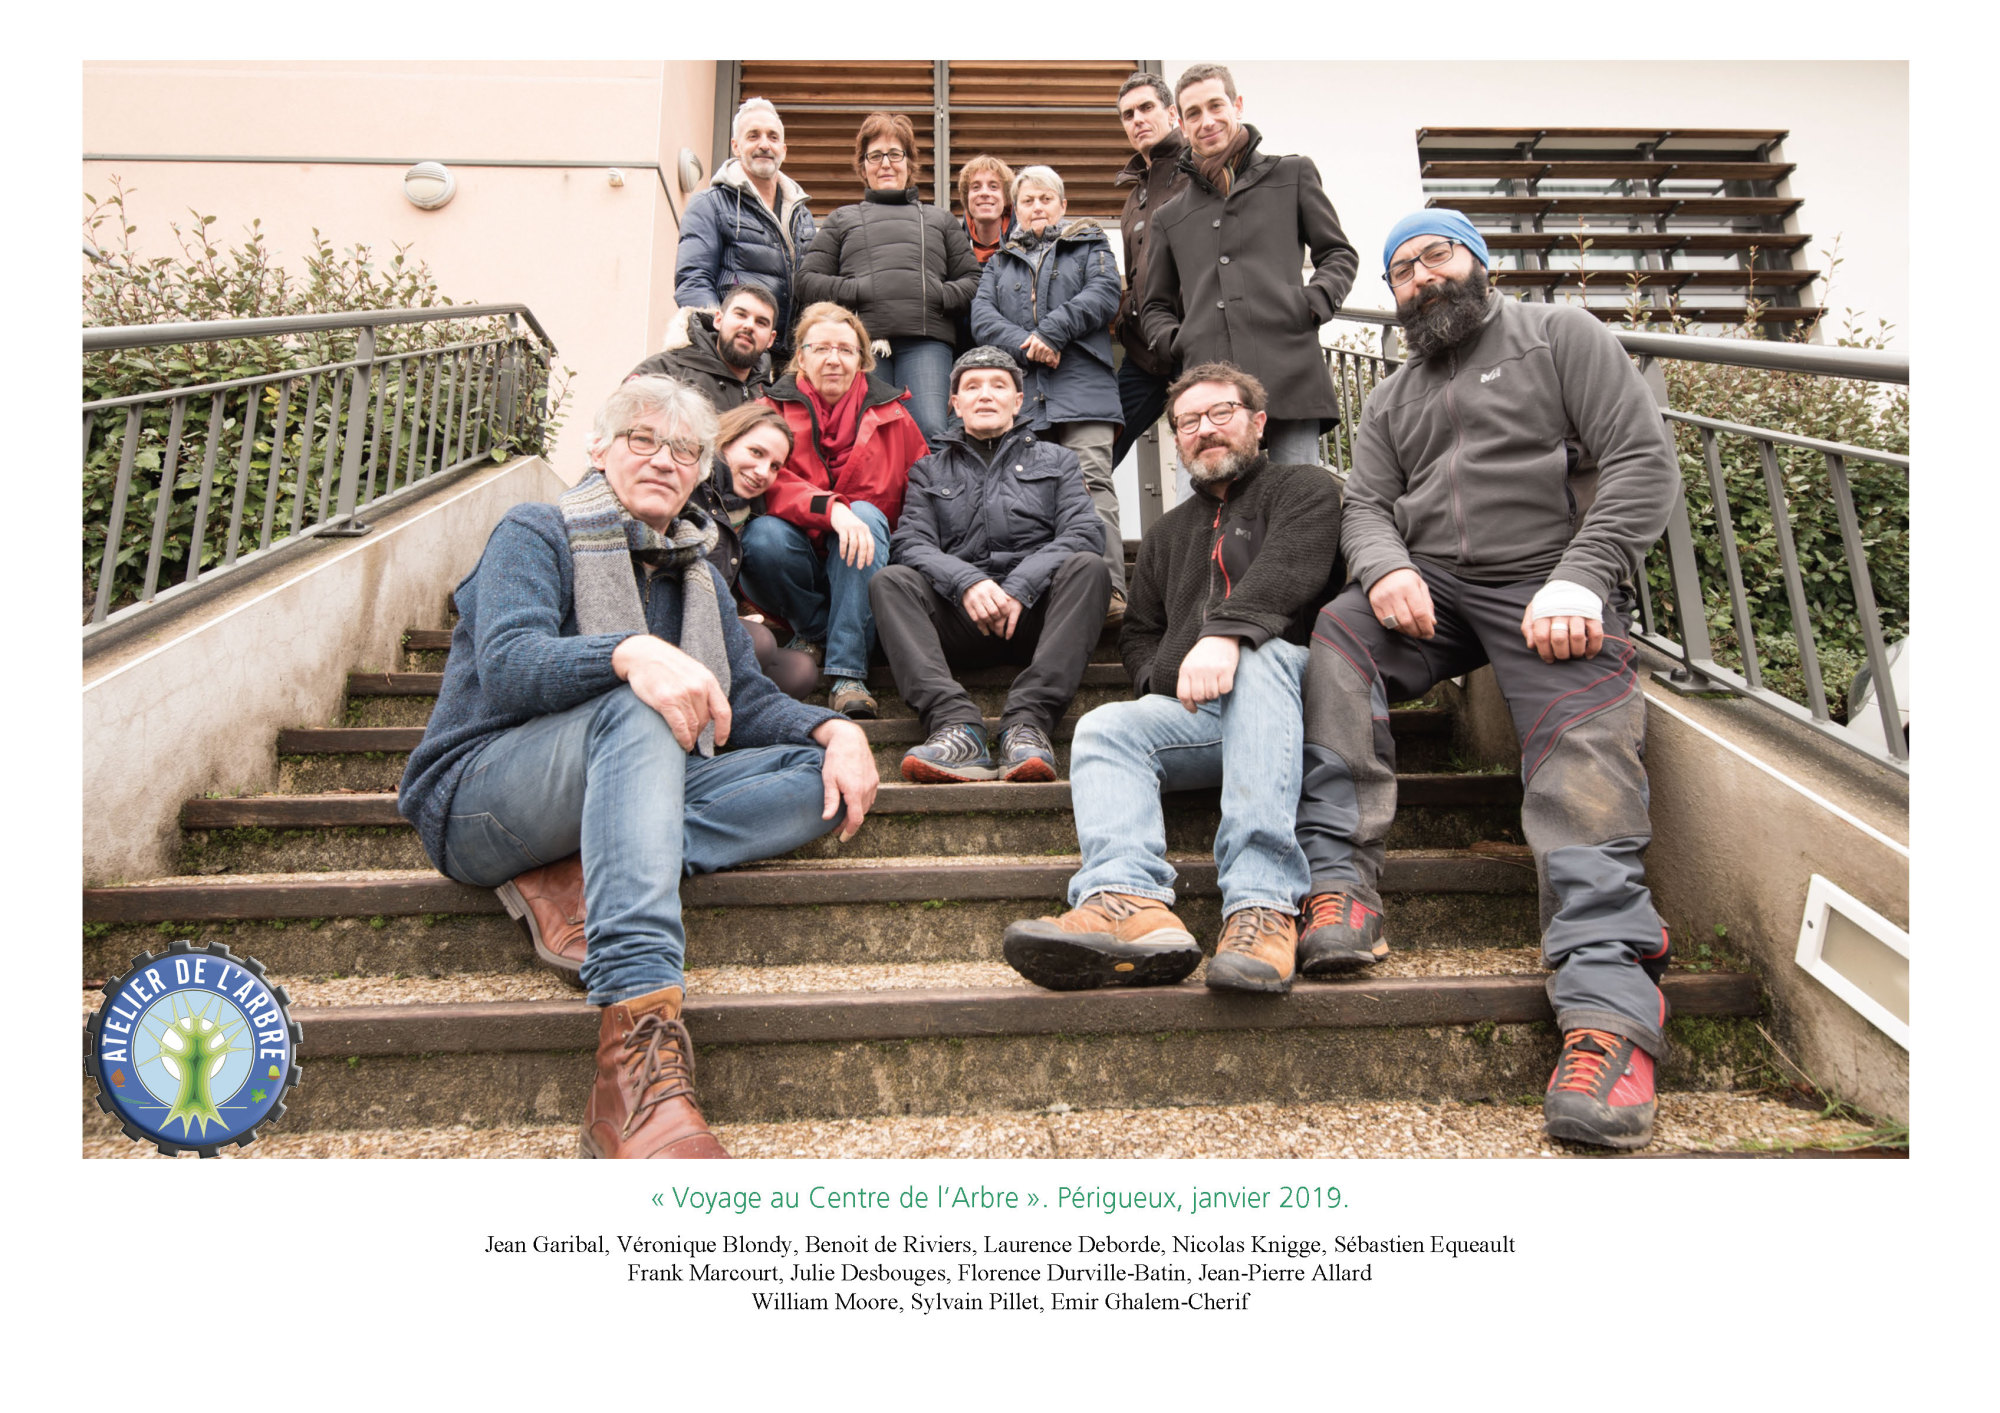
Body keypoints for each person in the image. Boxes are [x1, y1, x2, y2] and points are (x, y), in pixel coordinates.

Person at [396, 375, 878, 1159]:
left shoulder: (697, 572)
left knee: (814, 777)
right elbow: (510, 666)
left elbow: (744, 700)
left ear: (700, 470)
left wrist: (834, 730)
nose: (663, 459)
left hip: (624, 775)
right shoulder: (536, 530)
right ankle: (633, 1048)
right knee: (640, 702)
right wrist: (628, 653)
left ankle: (612, 848)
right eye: (642, 439)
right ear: (598, 449)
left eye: (683, 449)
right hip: (479, 792)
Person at [1294, 209, 1679, 1150]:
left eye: (1437, 256)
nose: (1421, 278)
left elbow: (1642, 461)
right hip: (1436, 590)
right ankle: (1342, 881)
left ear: (1478, 260)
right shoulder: (1392, 397)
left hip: (1548, 581)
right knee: (1337, 635)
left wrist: (1584, 575)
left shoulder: (1561, 335)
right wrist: (1385, 567)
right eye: (1402, 271)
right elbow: (1366, 504)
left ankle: (1608, 1009)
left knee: (1583, 757)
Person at [1001, 362, 1340, 995]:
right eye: (1188, 422)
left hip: (1294, 699)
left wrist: (1225, 635)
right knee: (1105, 725)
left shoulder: (1304, 489)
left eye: (1221, 414)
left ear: (1258, 422)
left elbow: (1291, 571)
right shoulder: (1164, 534)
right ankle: (1127, 900)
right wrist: (1161, 679)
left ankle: (1262, 905)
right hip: (1204, 714)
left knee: (1261, 655)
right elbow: (1138, 633)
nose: (1204, 430)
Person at [871, 346, 1110, 783]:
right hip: (961, 621)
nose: (985, 394)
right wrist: (966, 582)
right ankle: (955, 726)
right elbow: (910, 543)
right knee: (890, 580)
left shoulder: (1059, 460)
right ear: (955, 403)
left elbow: (1083, 532)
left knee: (1090, 568)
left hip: (1036, 620)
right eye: (972, 386)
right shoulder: (928, 470)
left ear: (1018, 402)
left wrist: (1021, 586)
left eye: (998, 385)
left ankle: (1028, 723)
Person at [1137, 62, 1358, 471]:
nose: (1206, 121)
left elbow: (1338, 253)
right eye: (1193, 113)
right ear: (1181, 124)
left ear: (1237, 105)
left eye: (1215, 105)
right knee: (1203, 506)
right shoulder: (1169, 216)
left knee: (1298, 498)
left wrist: (1313, 304)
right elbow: (1155, 306)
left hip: (1290, 370)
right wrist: (1179, 342)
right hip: (1206, 389)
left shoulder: (1292, 174)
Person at [741, 302, 929, 719]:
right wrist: (831, 510)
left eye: (845, 350)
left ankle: (847, 673)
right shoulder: (770, 409)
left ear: (861, 360)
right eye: (822, 348)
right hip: (798, 564)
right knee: (762, 536)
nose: (833, 359)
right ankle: (817, 630)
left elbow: (923, 491)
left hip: (866, 570)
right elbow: (767, 482)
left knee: (865, 517)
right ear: (800, 356)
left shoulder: (895, 415)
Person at [970, 165, 1127, 623]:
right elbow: (982, 318)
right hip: (1026, 392)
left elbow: (1104, 294)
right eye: (1027, 201)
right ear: (1014, 210)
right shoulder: (998, 261)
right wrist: (1029, 345)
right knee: (1030, 496)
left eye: (1045, 199)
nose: (1036, 207)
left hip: (1084, 389)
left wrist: (1051, 333)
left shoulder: (1091, 244)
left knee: (1091, 483)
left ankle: (1109, 589)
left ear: (1062, 205)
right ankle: (1041, 593)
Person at [795, 112, 981, 445]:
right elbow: (807, 281)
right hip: (863, 344)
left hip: (926, 342)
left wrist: (935, 295)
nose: (886, 164)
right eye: (875, 155)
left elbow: (972, 280)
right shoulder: (841, 219)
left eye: (895, 154)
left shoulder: (940, 220)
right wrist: (859, 290)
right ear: (863, 166)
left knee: (930, 431)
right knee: (866, 436)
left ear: (909, 163)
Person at [695, 401, 820, 699]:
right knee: (760, 642)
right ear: (726, 439)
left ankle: (721, 708)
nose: (763, 472)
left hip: (712, 626)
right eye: (756, 452)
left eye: (775, 466)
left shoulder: (747, 507)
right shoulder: (690, 484)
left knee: (800, 671)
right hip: (669, 626)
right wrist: (723, 618)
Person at [674, 98, 816, 358]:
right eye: (753, 136)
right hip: (736, 355)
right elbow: (693, 281)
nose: (764, 144)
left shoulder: (802, 215)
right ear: (736, 146)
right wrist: (721, 346)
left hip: (790, 362)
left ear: (783, 150)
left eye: (773, 137)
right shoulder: (709, 204)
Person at [1109, 71, 1189, 472]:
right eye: (1128, 114)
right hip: (1143, 352)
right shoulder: (1134, 196)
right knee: (1101, 445)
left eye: (1146, 108)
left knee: (1202, 457)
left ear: (1172, 113)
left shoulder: (1198, 171)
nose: (1137, 119)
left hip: (1191, 342)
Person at [627, 281, 779, 412]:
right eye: (741, 314)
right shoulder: (663, 371)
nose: (749, 325)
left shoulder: (771, 400)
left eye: (761, 322)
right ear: (718, 320)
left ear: (771, 339)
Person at [958, 154, 1015, 266]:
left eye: (993, 186)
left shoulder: (1026, 243)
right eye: (976, 187)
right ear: (967, 197)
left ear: (1006, 197)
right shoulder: (952, 242)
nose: (984, 193)